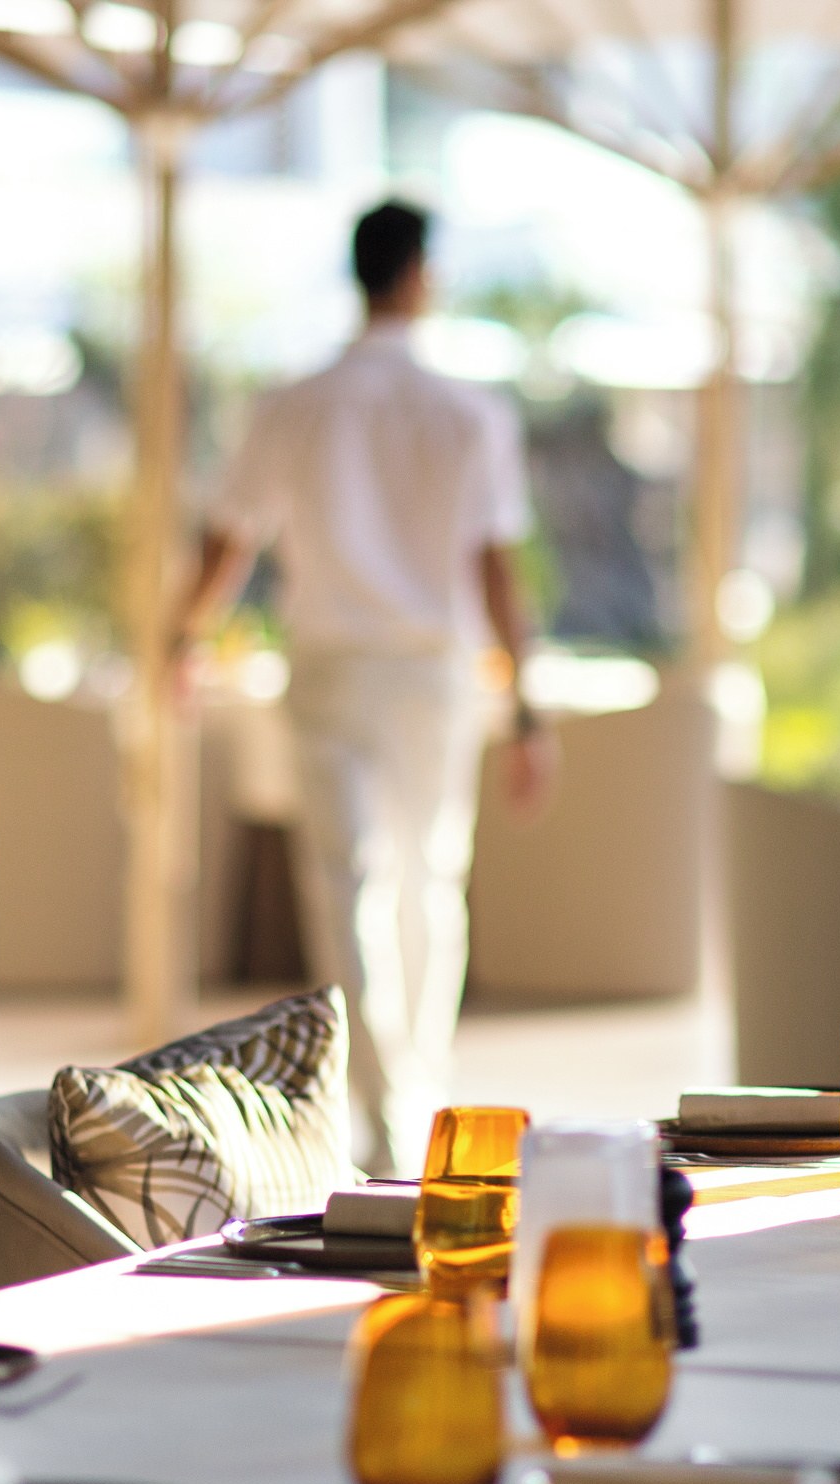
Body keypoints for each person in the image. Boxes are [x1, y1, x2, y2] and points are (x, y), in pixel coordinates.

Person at [170, 199, 553, 1173]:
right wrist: (530, 706)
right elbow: (497, 570)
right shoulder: (468, 413)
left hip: (334, 667)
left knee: (348, 882)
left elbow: (229, 539)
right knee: (432, 880)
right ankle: (415, 1095)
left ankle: (387, 1111)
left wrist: (182, 637)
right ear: (421, 276)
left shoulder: (294, 404)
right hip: (433, 673)